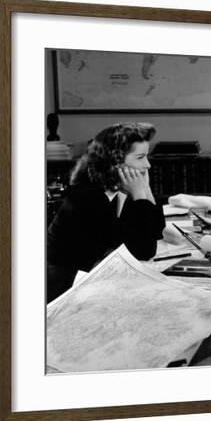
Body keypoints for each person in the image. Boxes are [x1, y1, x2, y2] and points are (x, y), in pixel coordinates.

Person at [46, 122, 165, 303]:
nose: (148, 165)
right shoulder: (87, 197)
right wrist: (141, 195)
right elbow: (141, 251)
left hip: (96, 284)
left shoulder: (120, 190)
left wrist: (146, 192)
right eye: (140, 157)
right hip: (64, 292)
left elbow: (152, 239)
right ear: (115, 162)